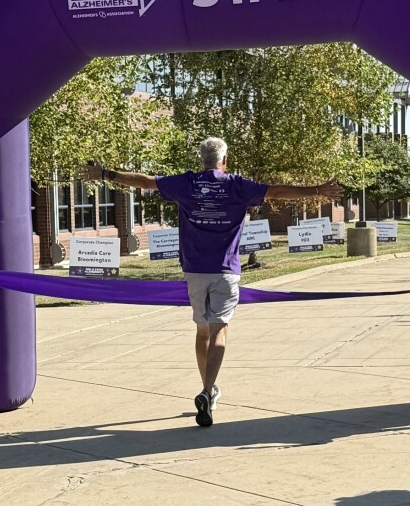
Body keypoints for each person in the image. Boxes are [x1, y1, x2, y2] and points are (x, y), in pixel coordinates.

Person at [82, 137, 343, 427]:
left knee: (202, 330)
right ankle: (207, 390)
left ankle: (208, 388)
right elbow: (277, 192)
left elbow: (145, 182)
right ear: (224, 160)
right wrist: (317, 190)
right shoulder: (236, 185)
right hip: (225, 270)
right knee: (219, 329)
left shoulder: (187, 184)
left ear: (203, 160)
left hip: (194, 270)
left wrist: (106, 174)